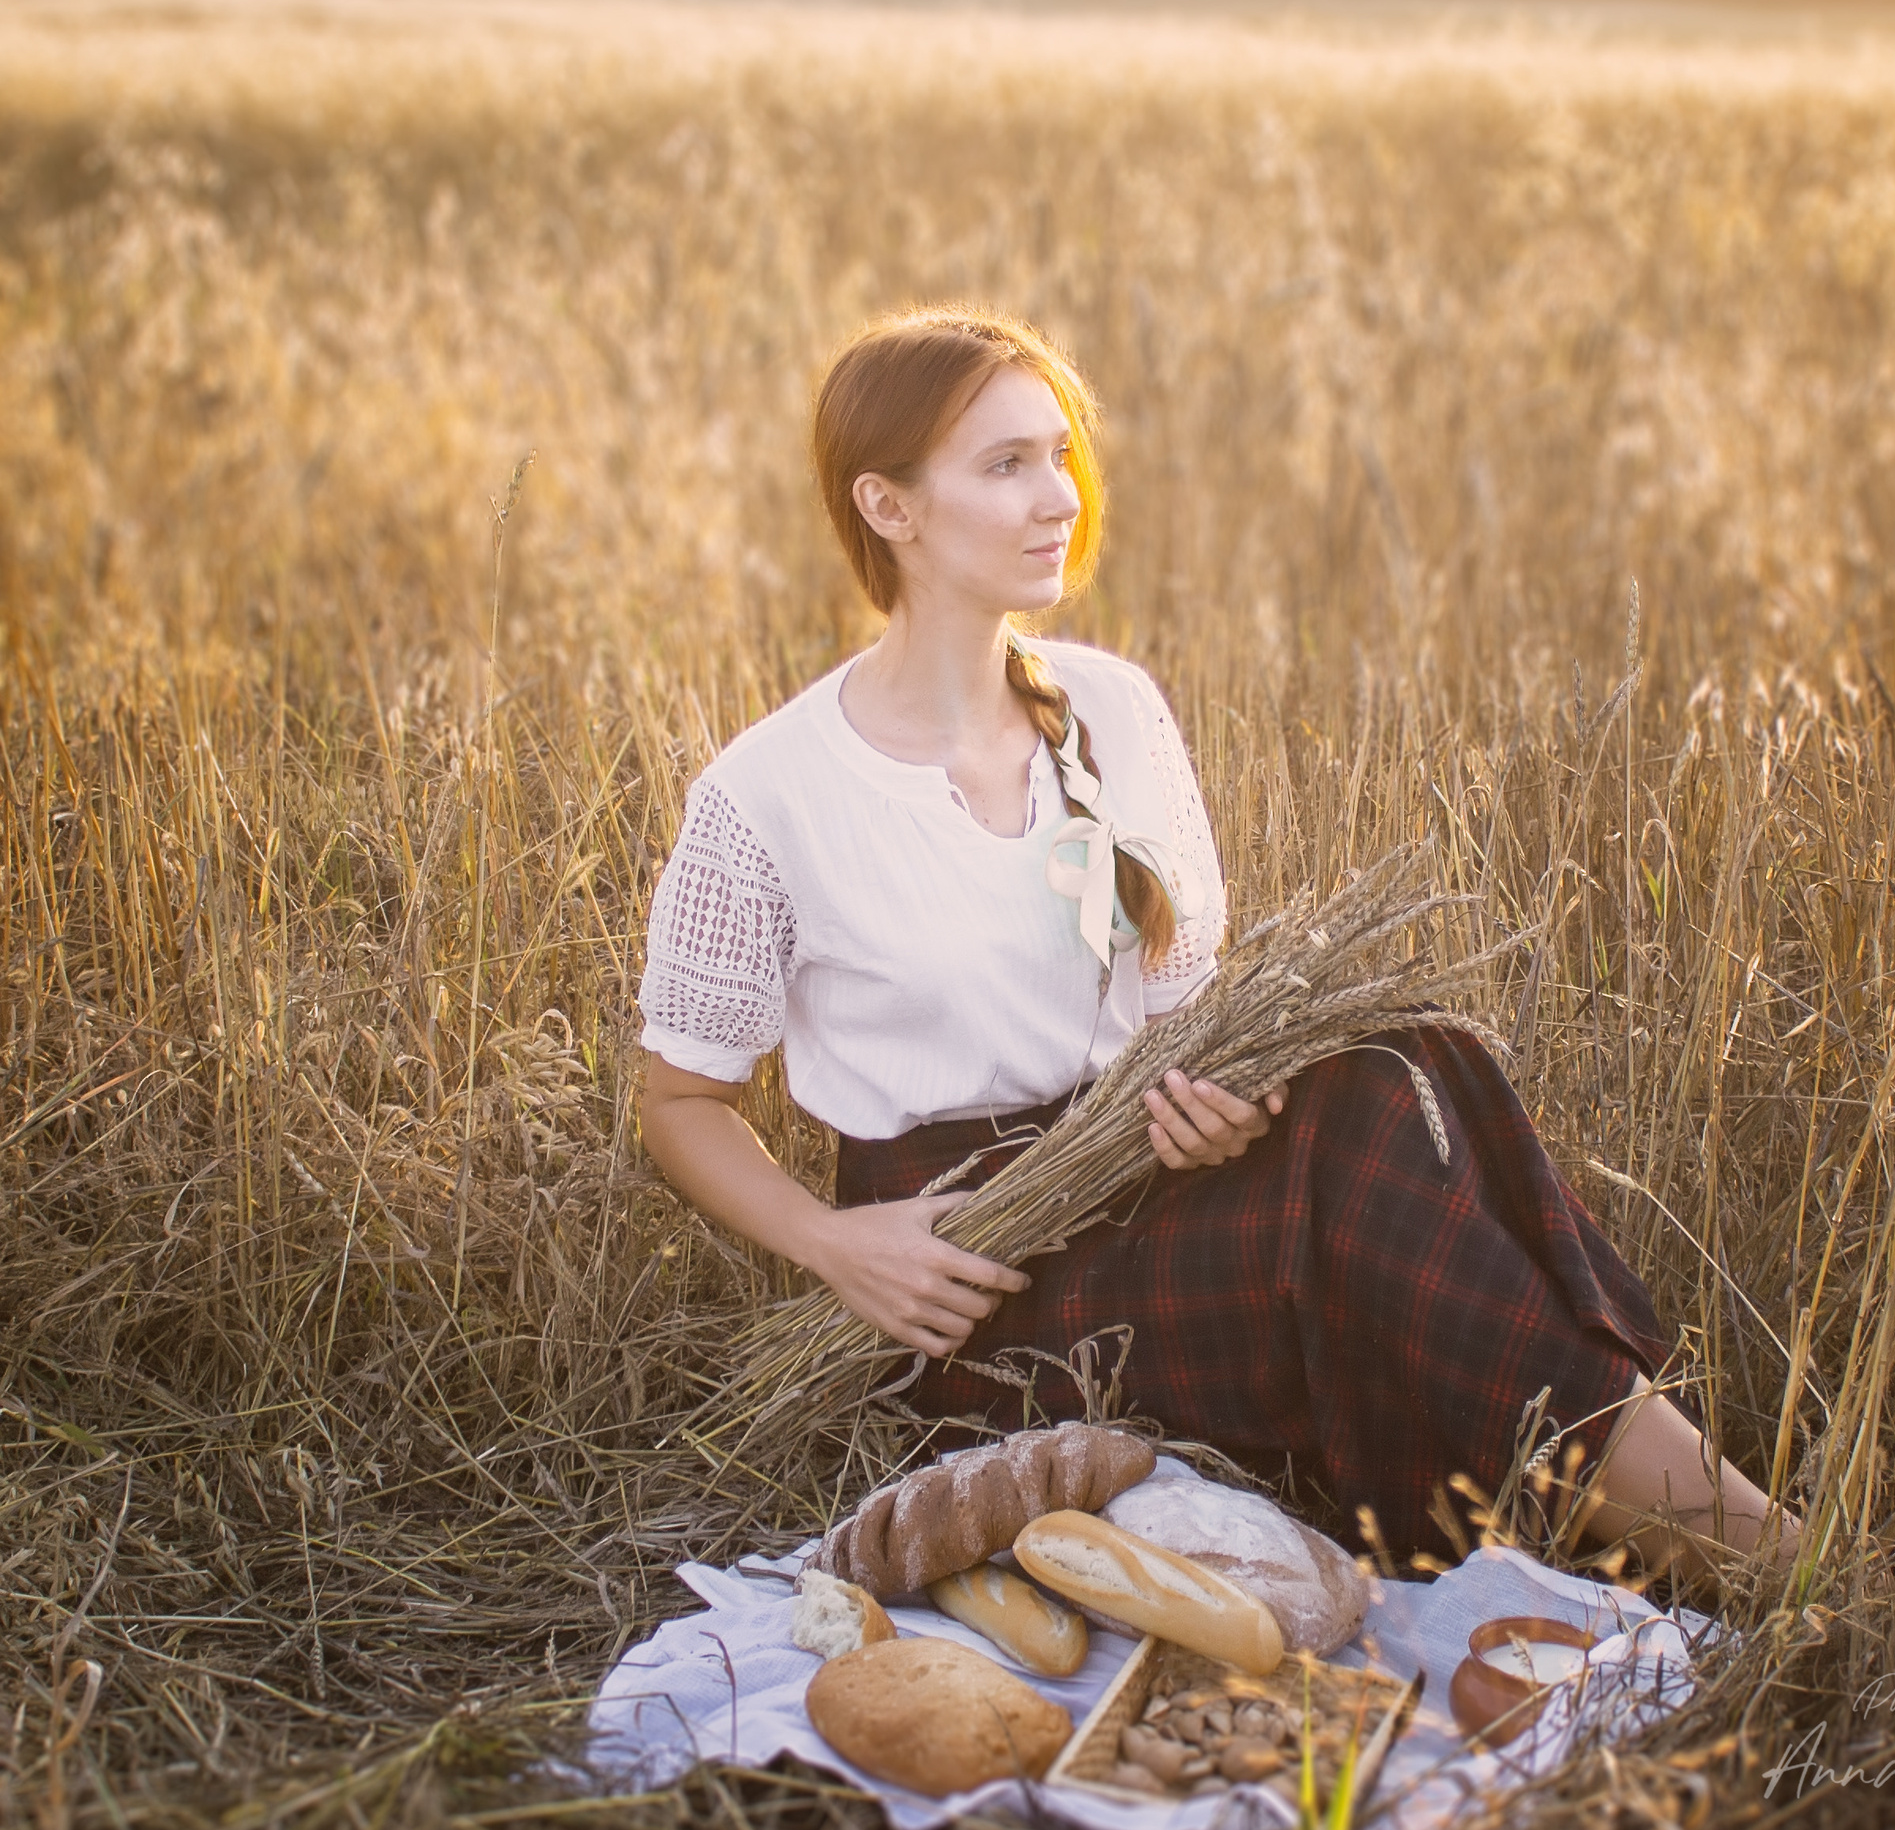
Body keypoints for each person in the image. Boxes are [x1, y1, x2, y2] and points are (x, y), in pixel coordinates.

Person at [635, 305, 1795, 1585]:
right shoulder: (770, 794)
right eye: (1004, 465)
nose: (1057, 496)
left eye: (1059, 454)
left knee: (1405, 1063)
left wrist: (1217, 1111)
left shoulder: (1113, 709)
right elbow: (681, 1099)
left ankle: (1696, 1529)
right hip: (970, 1276)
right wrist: (838, 1246)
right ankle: (1758, 1557)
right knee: (1374, 1152)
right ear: (890, 507)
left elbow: (1182, 1019)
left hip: (1140, 1172)